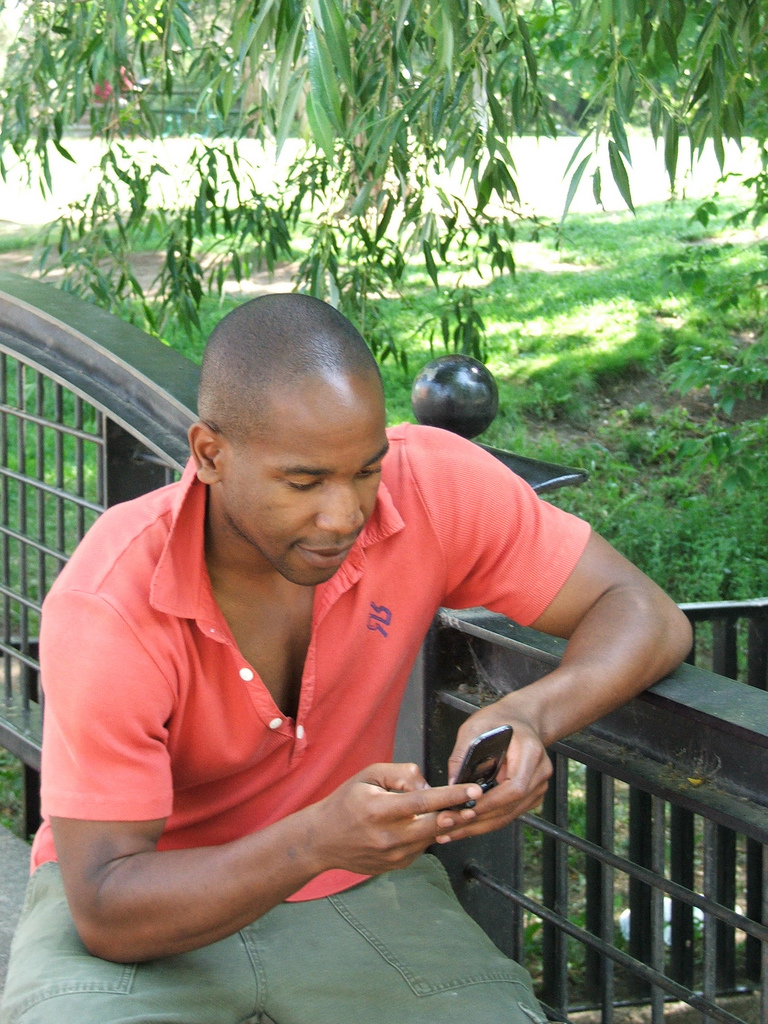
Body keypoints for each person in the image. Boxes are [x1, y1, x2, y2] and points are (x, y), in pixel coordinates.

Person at [1, 294, 692, 1024]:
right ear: (210, 455)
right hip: (156, 905)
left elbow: (644, 612)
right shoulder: (112, 597)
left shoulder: (428, 488)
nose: (344, 515)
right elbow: (109, 910)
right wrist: (311, 839)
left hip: (356, 885)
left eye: (365, 471)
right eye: (303, 483)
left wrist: (531, 712)